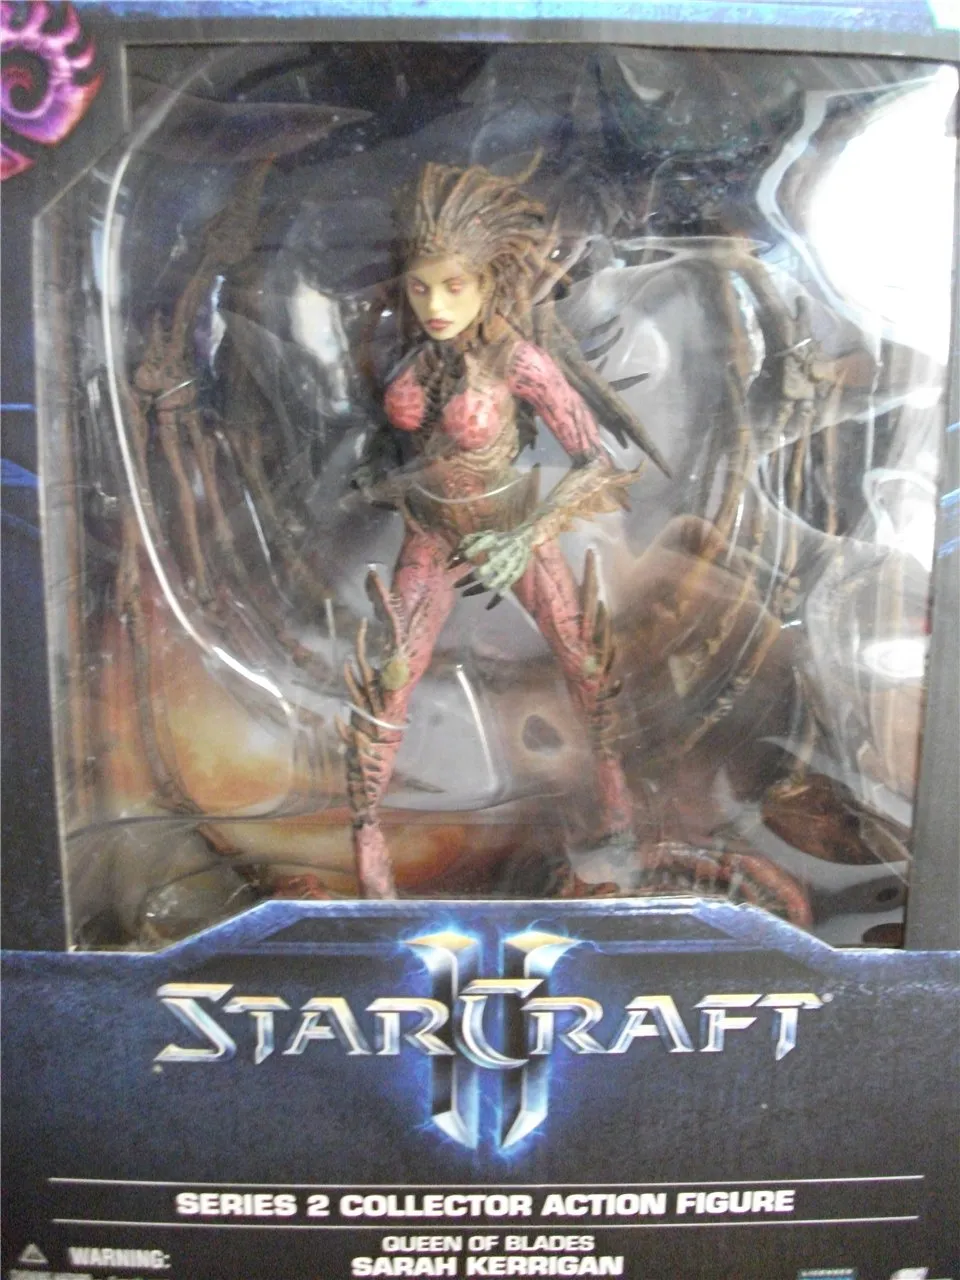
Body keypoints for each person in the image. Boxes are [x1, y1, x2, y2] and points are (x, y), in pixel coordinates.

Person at [339, 158, 666, 898]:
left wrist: (526, 534)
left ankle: (617, 810)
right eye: (421, 287)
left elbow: (595, 461)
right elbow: (395, 443)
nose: (435, 304)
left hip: (511, 522)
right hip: (430, 532)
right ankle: (366, 836)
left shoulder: (522, 361)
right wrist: (379, 477)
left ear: (487, 281)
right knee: (392, 676)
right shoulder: (412, 358)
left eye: (454, 286)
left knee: (582, 660)